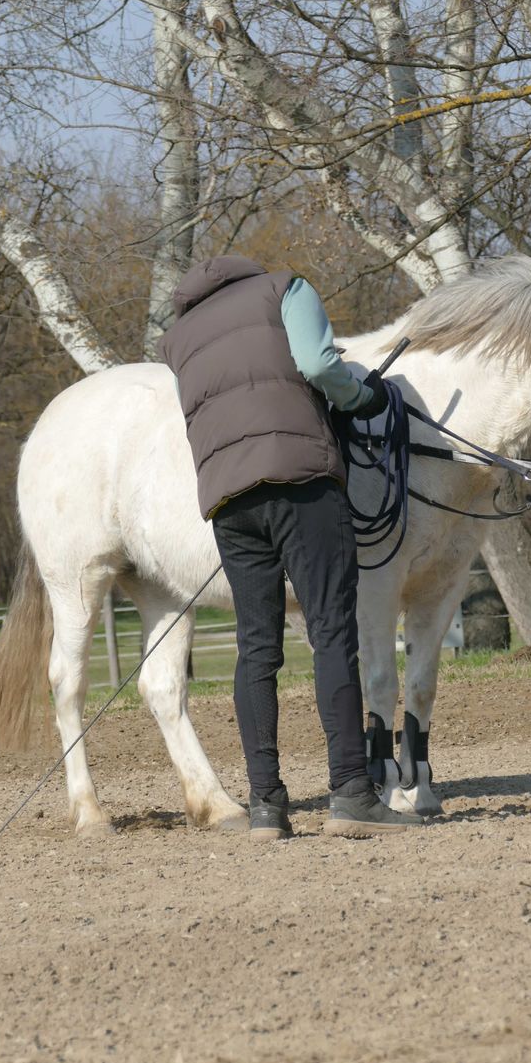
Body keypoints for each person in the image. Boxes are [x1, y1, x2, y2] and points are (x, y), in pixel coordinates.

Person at [160, 255, 423, 841]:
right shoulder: (285, 288)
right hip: (302, 482)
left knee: (256, 649)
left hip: (228, 500)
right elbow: (317, 365)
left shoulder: (177, 338)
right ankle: (352, 792)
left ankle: (265, 806)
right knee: (330, 631)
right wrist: (362, 399)